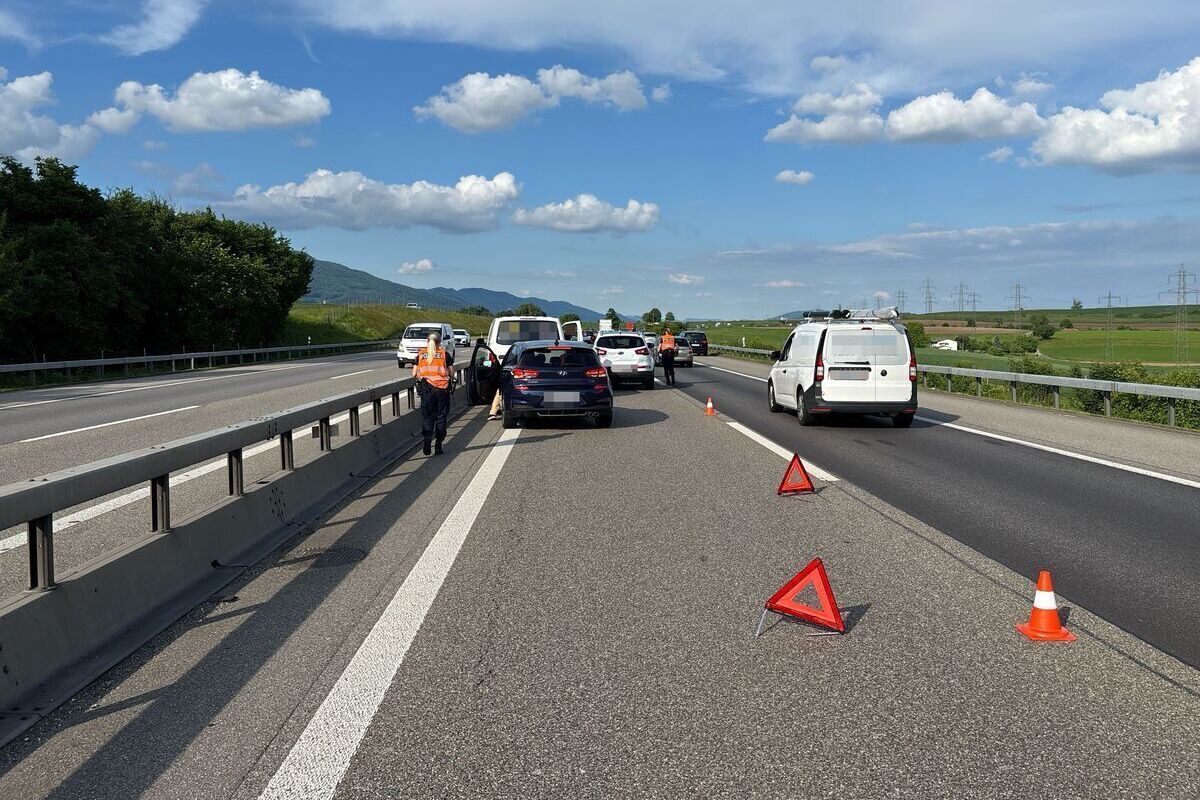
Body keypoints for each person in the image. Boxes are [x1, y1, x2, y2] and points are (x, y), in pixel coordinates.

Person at [412, 331, 453, 455]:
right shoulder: (445, 354)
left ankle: (427, 441)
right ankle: (438, 445)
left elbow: (414, 374)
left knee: (428, 417)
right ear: (439, 342)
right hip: (442, 390)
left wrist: (423, 376)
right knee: (441, 417)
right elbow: (451, 373)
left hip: (427, 390)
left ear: (427, 341)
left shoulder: (420, 355)